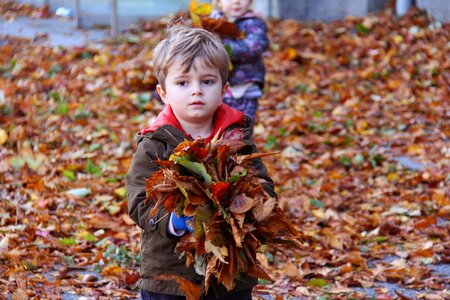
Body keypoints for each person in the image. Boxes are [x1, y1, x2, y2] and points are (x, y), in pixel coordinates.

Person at [126, 24, 277, 300]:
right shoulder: (155, 144)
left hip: (231, 273)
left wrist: (247, 206)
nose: (196, 91)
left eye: (207, 81)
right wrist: (173, 220)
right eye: (183, 83)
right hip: (171, 275)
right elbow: (139, 201)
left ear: (224, 90)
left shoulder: (236, 138)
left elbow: (265, 188)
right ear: (163, 93)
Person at [210, 0, 269, 126]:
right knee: (217, 127)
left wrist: (222, 46)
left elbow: (254, 47)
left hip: (245, 88)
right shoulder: (212, 22)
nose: (236, 2)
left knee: (242, 127)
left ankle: (243, 145)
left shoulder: (253, 23)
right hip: (216, 88)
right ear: (219, 2)